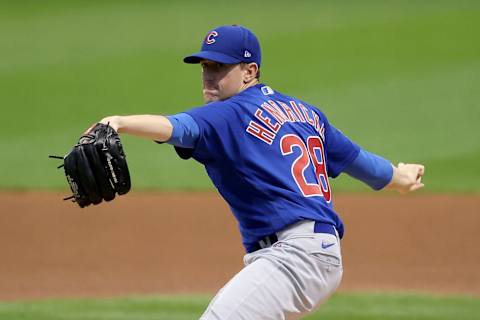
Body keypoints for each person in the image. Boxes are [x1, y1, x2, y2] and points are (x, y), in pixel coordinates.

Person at [89, 25, 425, 319]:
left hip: (296, 256)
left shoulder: (228, 113)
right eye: (205, 65)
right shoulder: (305, 114)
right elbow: (360, 162)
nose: (208, 75)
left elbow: (176, 127)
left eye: (219, 66)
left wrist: (117, 122)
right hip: (314, 255)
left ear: (250, 71)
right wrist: (400, 178)